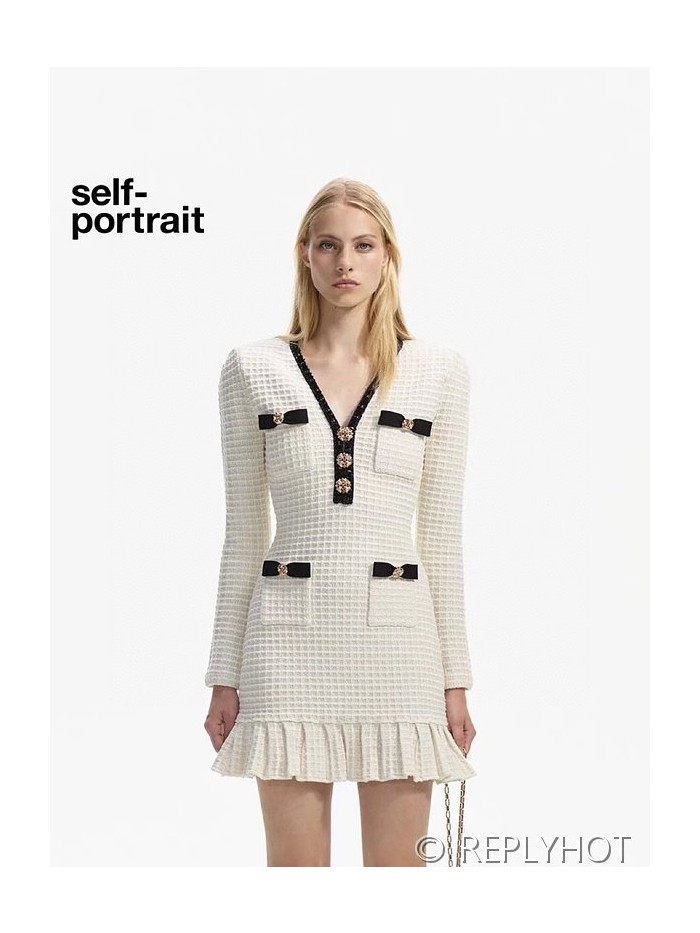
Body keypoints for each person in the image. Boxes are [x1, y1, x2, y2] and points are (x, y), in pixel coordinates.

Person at [203, 177, 477, 867]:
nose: (345, 263)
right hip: (284, 647)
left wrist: (456, 679)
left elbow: (442, 541)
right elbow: (243, 533)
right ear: (305, 253)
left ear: (388, 256)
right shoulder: (252, 368)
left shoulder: (439, 372)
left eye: (362, 246)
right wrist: (223, 674)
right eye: (328, 245)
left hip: (401, 649)